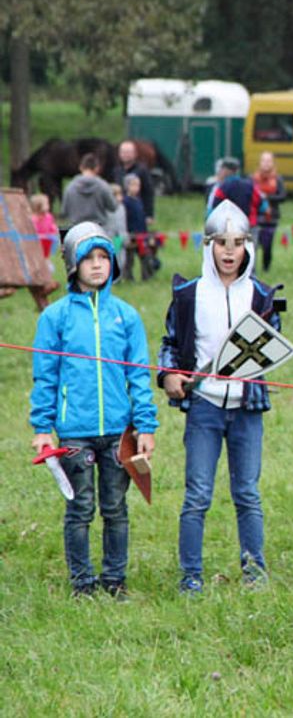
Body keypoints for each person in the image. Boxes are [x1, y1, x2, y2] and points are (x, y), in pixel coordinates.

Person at [157, 201, 283, 594]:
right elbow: (171, 344)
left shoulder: (262, 295)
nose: (230, 251)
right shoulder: (188, 294)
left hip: (246, 408)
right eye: (222, 243)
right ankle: (190, 576)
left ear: (248, 246)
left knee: (247, 493)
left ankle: (254, 573)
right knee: (197, 495)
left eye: (238, 243)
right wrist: (168, 375)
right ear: (208, 245)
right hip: (205, 407)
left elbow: (272, 341)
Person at [29, 222, 158, 597]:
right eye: (89, 259)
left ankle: (115, 580)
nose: (98, 265)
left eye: (104, 257)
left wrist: (145, 426)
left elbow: (139, 376)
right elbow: (45, 378)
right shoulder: (55, 318)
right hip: (75, 433)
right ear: (73, 264)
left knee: (115, 508)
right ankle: (82, 583)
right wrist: (42, 428)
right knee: (80, 508)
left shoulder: (127, 316)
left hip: (118, 433)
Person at [61, 154, 116, 231]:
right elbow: (113, 207)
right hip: (99, 229)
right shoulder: (103, 186)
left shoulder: (70, 187)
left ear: (81, 167)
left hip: (77, 229)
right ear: (97, 168)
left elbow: (64, 212)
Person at [206, 157, 267, 227]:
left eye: (221, 169)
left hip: (226, 227)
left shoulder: (221, 187)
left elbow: (212, 209)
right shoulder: (250, 185)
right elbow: (263, 206)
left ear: (226, 171)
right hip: (248, 225)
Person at [252, 151, 287, 272]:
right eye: (264, 160)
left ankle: (266, 268)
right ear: (260, 162)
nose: (266, 163)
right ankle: (252, 269)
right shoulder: (253, 178)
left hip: (271, 217)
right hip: (255, 216)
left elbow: (283, 196)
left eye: (269, 161)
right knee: (254, 244)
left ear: (273, 163)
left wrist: (267, 197)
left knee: (267, 246)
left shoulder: (278, 179)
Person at [122, 174, 154, 281]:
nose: (136, 188)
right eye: (133, 185)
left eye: (138, 185)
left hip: (142, 235)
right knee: (129, 258)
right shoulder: (125, 202)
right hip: (131, 234)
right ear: (127, 186)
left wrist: (146, 232)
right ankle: (128, 277)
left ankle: (146, 276)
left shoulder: (139, 201)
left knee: (145, 256)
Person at [115, 140, 155, 225]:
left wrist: (149, 215)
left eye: (128, 152)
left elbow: (148, 192)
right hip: (120, 211)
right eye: (123, 152)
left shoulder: (142, 170)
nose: (125, 155)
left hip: (137, 211)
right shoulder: (116, 170)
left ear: (135, 154)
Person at [29, 193, 59, 264]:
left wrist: (55, 230)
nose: (48, 205)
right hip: (36, 245)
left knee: (47, 264)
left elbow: (52, 227)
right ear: (38, 206)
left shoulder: (48, 217)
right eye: (46, 204)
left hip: (46, 245)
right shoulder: (33, 219)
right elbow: (32, 231)